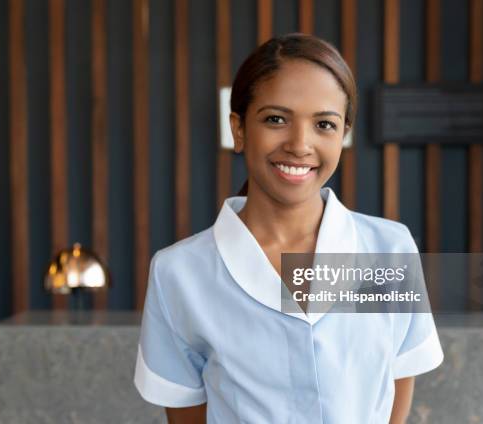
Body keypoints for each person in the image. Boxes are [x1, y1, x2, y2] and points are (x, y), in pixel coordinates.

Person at [134, 33, 443, 423]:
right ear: (240, 129)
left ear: (343, 134)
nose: (300, 144)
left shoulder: (390, 249)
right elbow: (185, 411)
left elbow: (397, 380)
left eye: (324, 124)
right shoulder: (179, 273)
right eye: (276, 119)